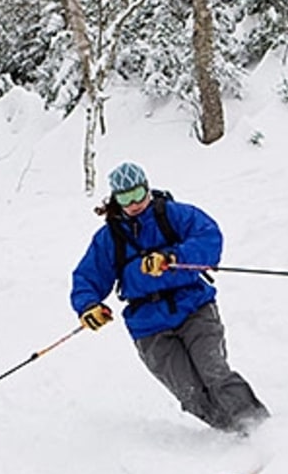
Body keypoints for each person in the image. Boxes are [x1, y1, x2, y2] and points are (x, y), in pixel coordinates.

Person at [71, 161, 270, 434]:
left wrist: (173, 258)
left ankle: (259, 429)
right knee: (190, 393)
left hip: (194, 307)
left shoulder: (173, 215)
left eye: (139, 194)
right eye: (126, 198)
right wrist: (88, 306)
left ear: (148, 189)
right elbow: (87, 277)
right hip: (148, 325)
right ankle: (233, 433)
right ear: (116, 200)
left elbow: (209, 237)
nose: (135, 203)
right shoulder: (109, 239)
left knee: (215, 373)